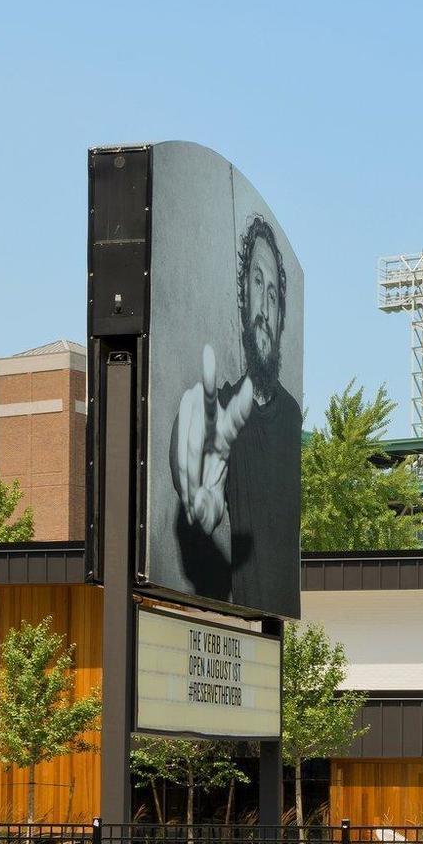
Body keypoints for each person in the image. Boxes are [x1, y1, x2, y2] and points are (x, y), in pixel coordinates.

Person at [168, 215, 301, 611]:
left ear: (280, 320)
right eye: (257, 284)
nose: (265, 305)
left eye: (274, 295)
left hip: (278, 635)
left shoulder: (294, 417)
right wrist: (192, 480)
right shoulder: (221, 408)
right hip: (232, 619)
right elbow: (194, 443)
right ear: (243, 298)